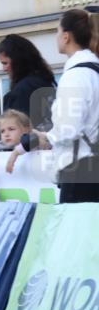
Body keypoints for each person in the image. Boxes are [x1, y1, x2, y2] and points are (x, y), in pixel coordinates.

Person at [11, 10, 99, 203]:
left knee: (77, 232)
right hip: (90, 165)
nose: (56, 36)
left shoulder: (76, 75)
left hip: (80, 170)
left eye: (57, 30)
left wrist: (45, 137)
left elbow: (70, 128)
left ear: (66, 36)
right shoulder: (93, 72)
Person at [0, 34, 56, 129]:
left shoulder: (21, 91)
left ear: (18, 61)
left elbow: (17, 132)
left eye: (5, 63)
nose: (4, 69)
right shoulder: (44, 81)